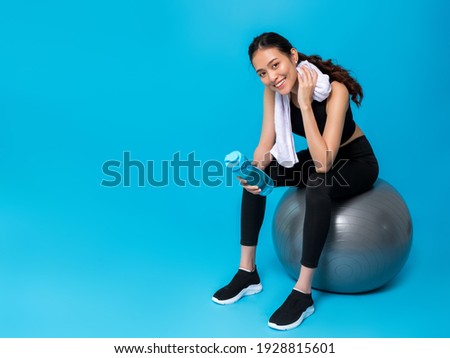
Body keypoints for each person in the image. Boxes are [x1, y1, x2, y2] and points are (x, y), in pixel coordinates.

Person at [212, 32, 379, 331]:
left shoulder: (334, 90)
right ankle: (247, 271)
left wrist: (303, 103)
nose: (272, 77)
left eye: (276, 65)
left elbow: (324, 162)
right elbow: (266, 144)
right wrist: (252, 170)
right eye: (262, 73)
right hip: (323, 157)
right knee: (257, 175)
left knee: (318, 183)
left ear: (293, 55)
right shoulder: (272, 93)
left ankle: (303, 293)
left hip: (356, 161)